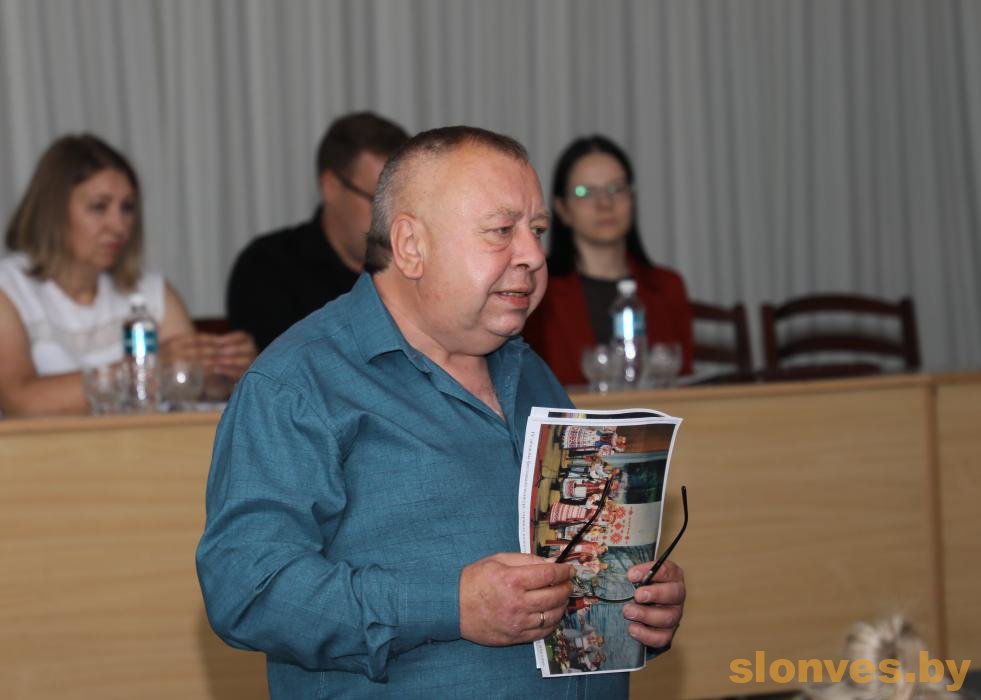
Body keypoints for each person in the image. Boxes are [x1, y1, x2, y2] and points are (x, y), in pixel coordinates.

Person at [197, 126, 685, 697]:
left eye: (537, 231)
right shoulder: (300, 385)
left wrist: (634, 604)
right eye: (501, 231)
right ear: (411, 246)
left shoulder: (530, 372)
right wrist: (449, 605)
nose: (533, 255)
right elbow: (247, 590)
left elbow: (577, 564)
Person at [0, 133, 255, 417]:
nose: (119, 225)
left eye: (127, 207)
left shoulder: (151, 289)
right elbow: (20, 402)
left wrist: (227, 370)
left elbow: (189, 391)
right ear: (52, 211)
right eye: (99, 207)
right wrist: (146, 370)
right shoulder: (9, 289)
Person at [225, 111, 409, 350]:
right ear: (331, 186)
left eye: (405, 202)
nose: (395, 218)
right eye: (378, 200)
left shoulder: (418, 264)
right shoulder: (268, 267)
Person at [523, 134, 694, 386]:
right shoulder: (537, 288)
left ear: (632, 199)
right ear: (562, 209)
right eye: (585, 192)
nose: (605, 203)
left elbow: (683, 384)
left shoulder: (668, 286)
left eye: (616, 188)